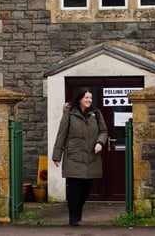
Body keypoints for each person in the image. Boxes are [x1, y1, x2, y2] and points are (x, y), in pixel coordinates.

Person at [52, 87, 108, 226]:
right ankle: (73, 218)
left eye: (90, 98)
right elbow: (61, 134)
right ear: (79, 99)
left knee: (86, 189)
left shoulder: (96, 113)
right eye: (86, 97)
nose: (89, 100)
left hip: (91, 157)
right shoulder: (70, 113)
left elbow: (104, 131)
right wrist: (56, 156)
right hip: (73, 157)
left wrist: (100, 142)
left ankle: (78, 210)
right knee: (73, 189)